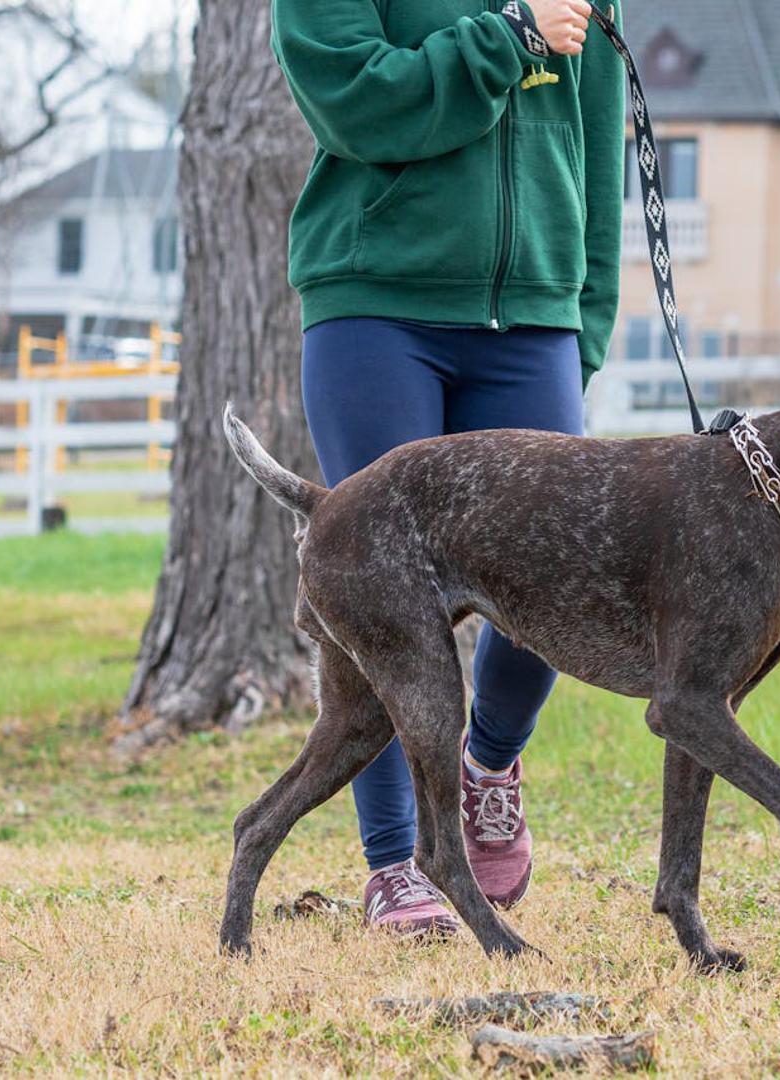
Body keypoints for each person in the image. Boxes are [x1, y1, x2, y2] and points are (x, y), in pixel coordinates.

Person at [270, 0, 623, 937]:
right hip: (377, 308)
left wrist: (580, 325)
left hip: (535, 320)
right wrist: (505, 37)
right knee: (384, 596)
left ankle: (491, 762)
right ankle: (395, 862)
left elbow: (596, 159)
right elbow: (354, 102)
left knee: (554, 575)